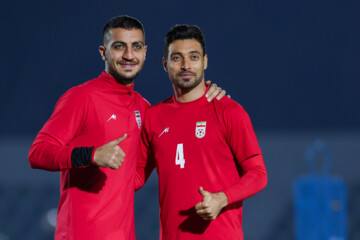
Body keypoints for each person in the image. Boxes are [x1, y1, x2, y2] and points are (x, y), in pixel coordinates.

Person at [28, 16, 225, 240]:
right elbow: (37, 153)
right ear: (103, 52)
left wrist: (205, 96)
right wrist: (91, 155)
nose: (129, 55)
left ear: (145, 52)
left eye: (136, 47)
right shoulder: (81, 98)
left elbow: (135, 178)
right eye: (119, 47)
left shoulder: (144, 108)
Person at [135, 24, 267, 240]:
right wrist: (89, 157)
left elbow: (259, 174)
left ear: (205, 61)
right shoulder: (153, 117)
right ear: (165, 64)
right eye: (177, 58)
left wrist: (222, 199)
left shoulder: (229, 111)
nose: (186, 65)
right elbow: (135, 178)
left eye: (193, 57)